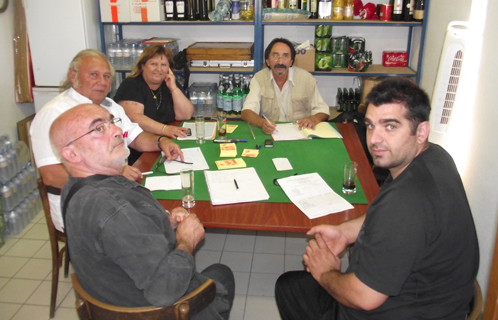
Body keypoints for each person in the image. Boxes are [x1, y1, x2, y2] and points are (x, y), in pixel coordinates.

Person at [274, 77, 479, 320]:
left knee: (290, 289)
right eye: (371, 125)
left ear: (421, 131)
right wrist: (345, 232)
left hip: (398, 310)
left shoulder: (406, 204)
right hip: (432, 299)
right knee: (291, 285)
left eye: (390, 126)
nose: (374, 139)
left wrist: (326, 272)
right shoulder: (435, 157)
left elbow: (364, 297)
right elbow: (383, 210)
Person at [49, 104, 234, 319]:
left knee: (219, 274)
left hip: (119, 289)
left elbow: (118, 238)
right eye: (98, 129)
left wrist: (166, 223)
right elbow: (165, 290)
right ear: (71, 153)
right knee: (223, 275)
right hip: (158, 310)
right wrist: (186, 241)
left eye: (111, 122)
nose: (117, 131)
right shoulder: (113, 209)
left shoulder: (75, 188)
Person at [30, 49, 183, 232]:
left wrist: (161, 141)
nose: (102, 82)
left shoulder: (110, 106)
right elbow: (52, 175)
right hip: (82, 208)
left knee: (168, 212)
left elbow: (135, 137)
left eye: (106, 76)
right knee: (159, 226)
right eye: (94, 75)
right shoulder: (54, 114)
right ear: (73, 76)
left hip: (117, 194)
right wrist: (113, 176)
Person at [114, 45, 194, 164]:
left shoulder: (168, 83)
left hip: (167, 143)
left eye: (163, 65)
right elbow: (135, 118)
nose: (159, 69)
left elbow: (186, 114)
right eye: (153, 64)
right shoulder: (130, 85)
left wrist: (173, 88)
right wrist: (164, 129)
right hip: (139, 150)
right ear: (142, 66)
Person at [241, 38, 330, 134]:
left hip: (300, 133)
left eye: (285, 56)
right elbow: (247, 111)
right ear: (267, 61)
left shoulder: (306, 78)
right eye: (275, 56)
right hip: (272, 133)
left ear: (291, 61)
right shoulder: (259, 79)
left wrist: (314, 119)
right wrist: (262, 123)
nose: (280, 62)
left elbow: (323, 110)